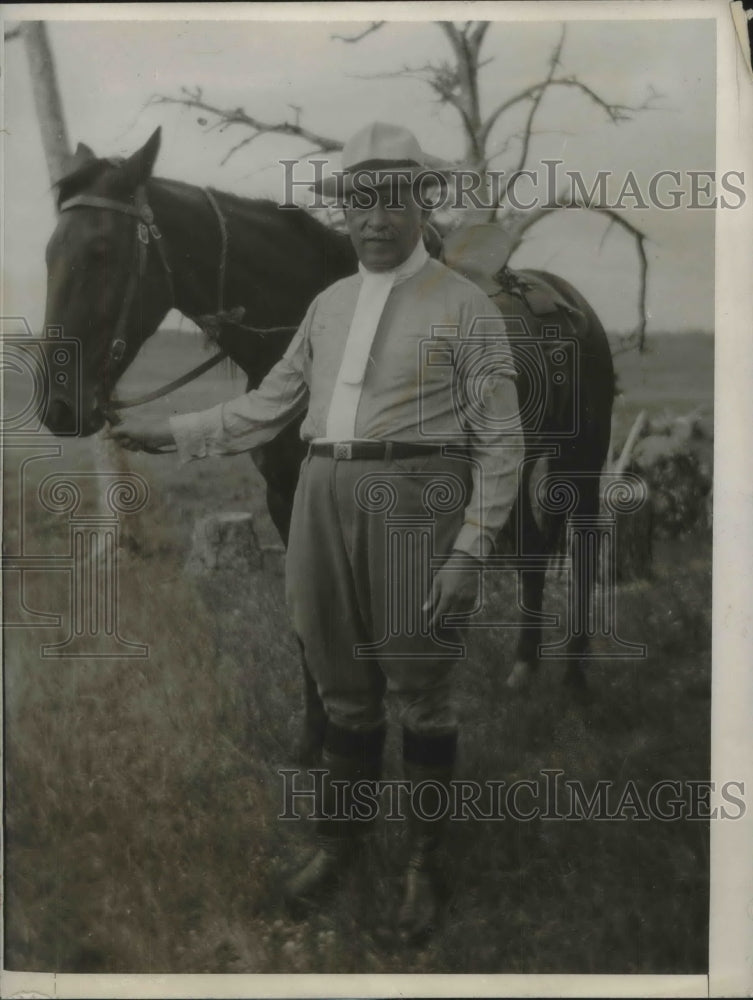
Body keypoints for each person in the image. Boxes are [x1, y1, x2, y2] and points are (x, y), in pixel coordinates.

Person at [112, 122, 525, 943]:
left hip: (413, 498)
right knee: (340, 683)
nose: (374, 218)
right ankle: (339, 844)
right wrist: (172, 432)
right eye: (358, 202)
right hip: (321, 494)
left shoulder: (464, 305)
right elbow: (270, 405)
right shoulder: (328, 305)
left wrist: (469, 549)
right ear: (345, 210)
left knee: (420, 686)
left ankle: (424, 864)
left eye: (392, 200)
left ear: (421, 203)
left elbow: (502, 440)